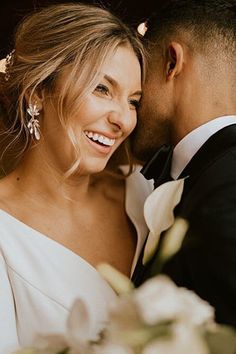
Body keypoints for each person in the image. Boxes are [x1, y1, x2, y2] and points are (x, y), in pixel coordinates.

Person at [0, 3, 153, 352]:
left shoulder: (146, 190)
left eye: (134, 101)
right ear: (39, 90)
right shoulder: (4, 234)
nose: (123, 120)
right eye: (102, 89)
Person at [132, 0, 236, 327]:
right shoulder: (178, 173)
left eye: (138, 80)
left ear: (171, 62)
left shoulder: (227, 193)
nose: (131, 106)